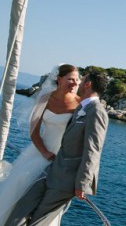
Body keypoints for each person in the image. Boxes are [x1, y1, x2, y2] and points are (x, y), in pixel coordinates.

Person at [5, 69, 109, 226]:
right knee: (18, 214)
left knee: (38, 222)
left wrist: (82, 183)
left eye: (82, 79)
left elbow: (93, 150)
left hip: (66, 179)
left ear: (88, 84)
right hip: (51, 169)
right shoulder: (81, 106)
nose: (78, 82)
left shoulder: (97, 111)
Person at [0, 64, 80, 226]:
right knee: (18, 186)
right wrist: (44, 153)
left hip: (61, 158)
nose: (74, 83)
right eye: (70, 79)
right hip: (40, 152)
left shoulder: (80, 105)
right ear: (59, 79)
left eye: (77, 80)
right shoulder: (45, 98)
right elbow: (34, 132)